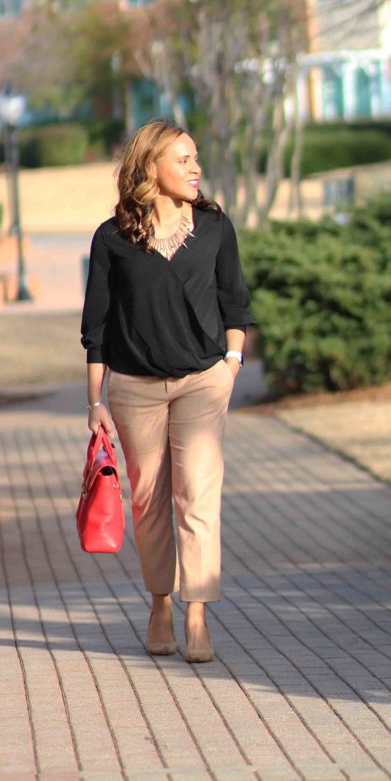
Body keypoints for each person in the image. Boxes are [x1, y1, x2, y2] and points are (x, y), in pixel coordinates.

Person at [81, 118, 255, 663]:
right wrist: (96, 402)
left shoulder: (215, 228)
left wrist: (231, 363)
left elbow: (236, 302)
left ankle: (197, 608)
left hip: (203, 381)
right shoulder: (112, 239)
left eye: (196, 157)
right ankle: (160, 602)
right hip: (134, 388)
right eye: (182, 159)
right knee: (150, 500)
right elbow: (98, 327)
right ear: (149, 166)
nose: (196, 168)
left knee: (197, 496)